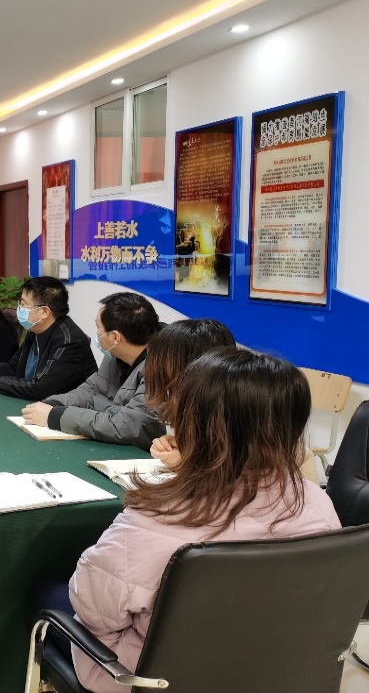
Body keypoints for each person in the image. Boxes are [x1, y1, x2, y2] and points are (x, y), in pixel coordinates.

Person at [66, 349, 340, 692]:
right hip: (279, 672)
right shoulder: (316, 502)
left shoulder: (159, 517)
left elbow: (91, 609)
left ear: (193, 423)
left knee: (49, 595)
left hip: (152, 679)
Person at [21, 291, 165, 449]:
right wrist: (52, 404)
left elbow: (128, 426)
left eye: (98, 327)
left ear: (115, 338)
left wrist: (55, 416)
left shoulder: (161, 367)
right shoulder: (115, 356)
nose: (96, 333)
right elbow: (90, 392)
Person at [0, 276, 97, 400]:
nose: (19, 309)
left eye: (24, 304)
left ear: (44, 312)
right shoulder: (35, 330)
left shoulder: (68, 340)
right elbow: (11, 368)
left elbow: (41, 388)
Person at [142, 318, 237, 467]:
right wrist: (174, 445)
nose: (155, 366)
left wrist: (185, 463)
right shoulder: (183, 399)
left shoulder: (236, 407)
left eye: (164, 359)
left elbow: (234, 468)